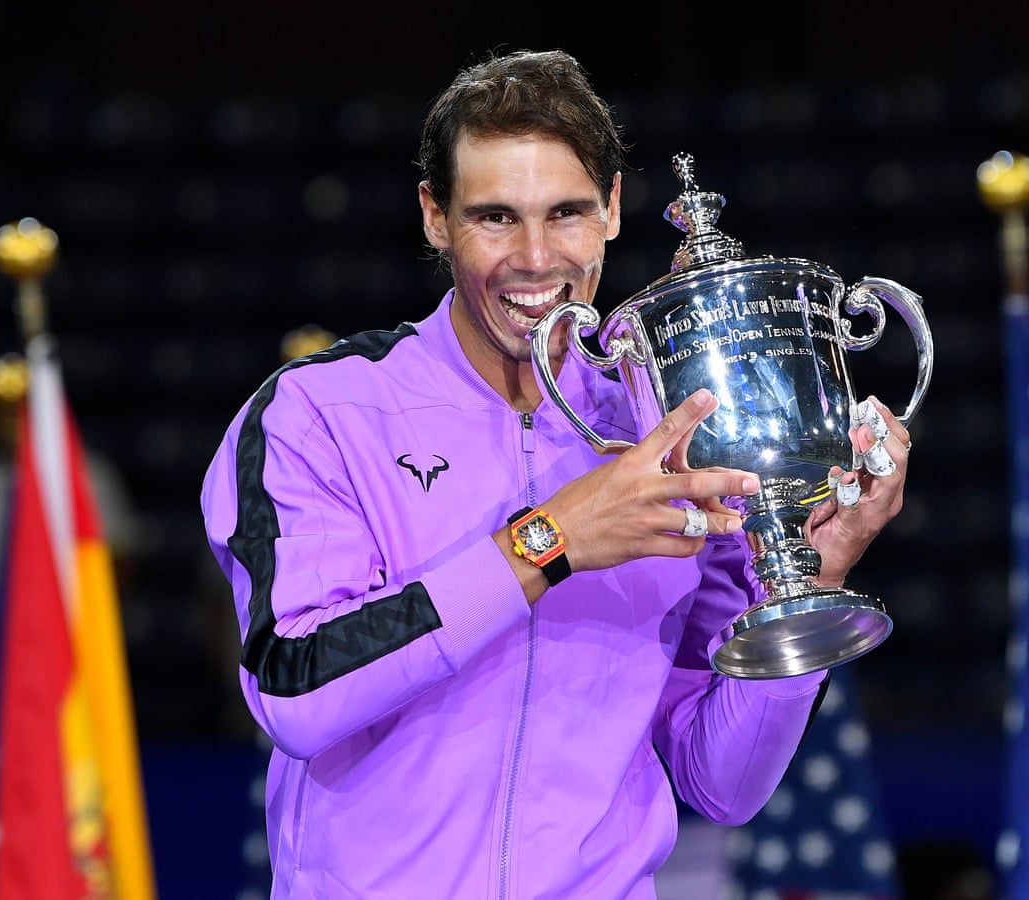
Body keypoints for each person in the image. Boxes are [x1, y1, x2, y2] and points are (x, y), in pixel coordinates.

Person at [201, 48, 912, 899]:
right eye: (495, 217)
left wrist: (811, 579)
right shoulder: (321, 412)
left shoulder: (669, 427)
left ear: (612, 208)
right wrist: (549, 542)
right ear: (435, 217)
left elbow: (721, 781)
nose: (536, 258)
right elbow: (296, 693)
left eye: (567, 213)